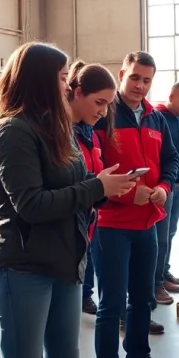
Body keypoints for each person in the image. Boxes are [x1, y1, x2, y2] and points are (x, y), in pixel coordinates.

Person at [0, 42, 136, 358]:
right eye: (63, 78)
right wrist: (96, 188)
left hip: (65, 263)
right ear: (39, 81)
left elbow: (73, 190)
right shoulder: (13, 132)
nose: (68, 87)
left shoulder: (59, 130)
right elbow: (31, 205)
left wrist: (105, 188)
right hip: (22, 267)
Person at [93, 51, 179, 358]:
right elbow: (91, 173)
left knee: (143, 299)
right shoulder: (103, 116)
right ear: (121, 74)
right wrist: (130, 195)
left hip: (148, 223)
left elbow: (172, 159)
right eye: (134, 78)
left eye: (146, 80)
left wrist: (161, 188)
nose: (140, 86)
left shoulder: (156, 118)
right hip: (112, 225)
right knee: (111, 305)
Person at [66, 61, 117, 316]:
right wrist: (98, 185)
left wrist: (106, 186)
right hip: (64, 235)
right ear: (77, 93)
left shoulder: (91, 134)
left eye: (108, 104)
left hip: (86, 226)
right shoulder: (60, 136)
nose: (104, 112)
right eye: (99, 103)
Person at [152, 82, 179, 303]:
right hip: (165, 186)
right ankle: (155, 283)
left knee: (169, 234)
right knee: (160, 237)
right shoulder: (159, 119)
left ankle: (164, 271)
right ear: (171, 96)